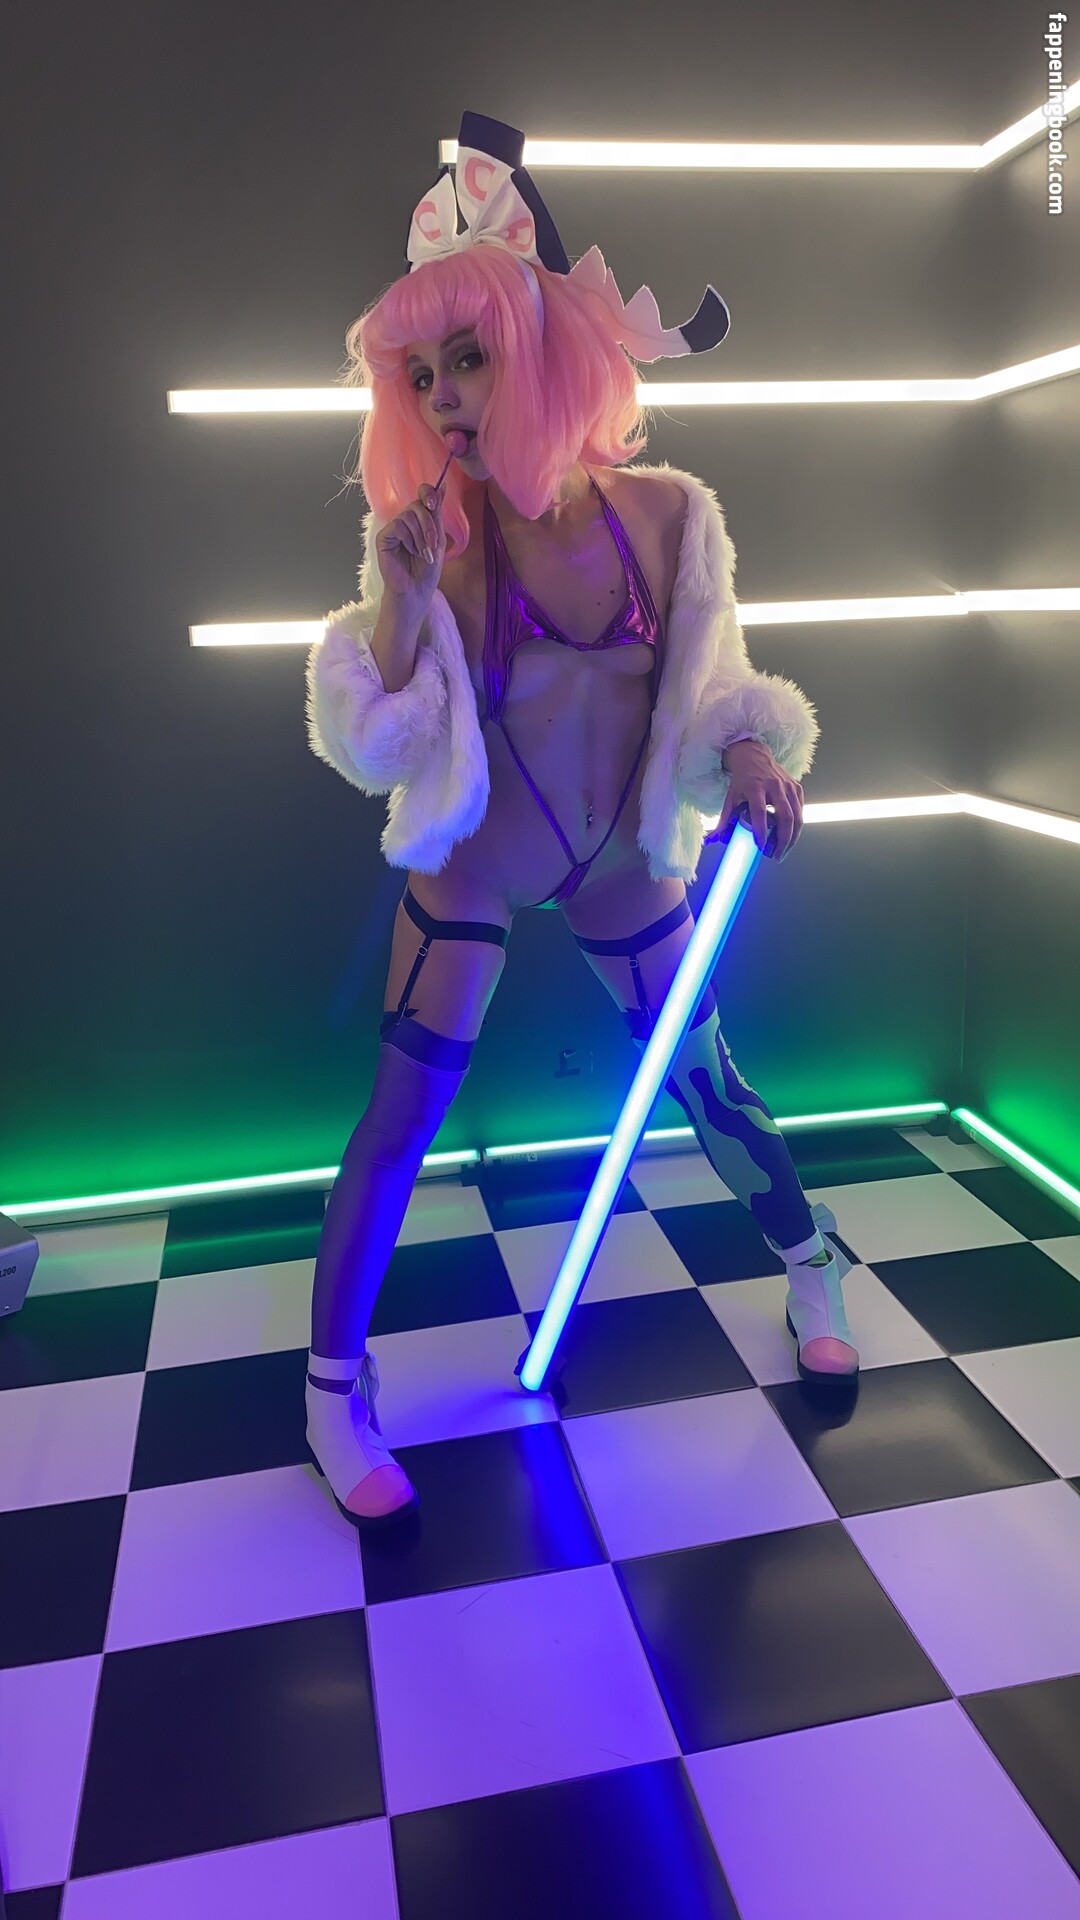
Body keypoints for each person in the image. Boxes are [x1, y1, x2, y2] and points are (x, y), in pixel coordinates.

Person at [303, 112, 859, 1530]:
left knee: (709, 1081)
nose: (443, 397)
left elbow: (715, 688)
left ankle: (814, 1265)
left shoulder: (668, 517)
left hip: (620, 858)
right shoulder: (436, 543)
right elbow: (376, 739)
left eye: (469, 357)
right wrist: (398, 598)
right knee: (400, 1116)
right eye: (420, 374)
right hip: (481, 865)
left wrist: (753, 752)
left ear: (543, 346)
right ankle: (329, 1390)